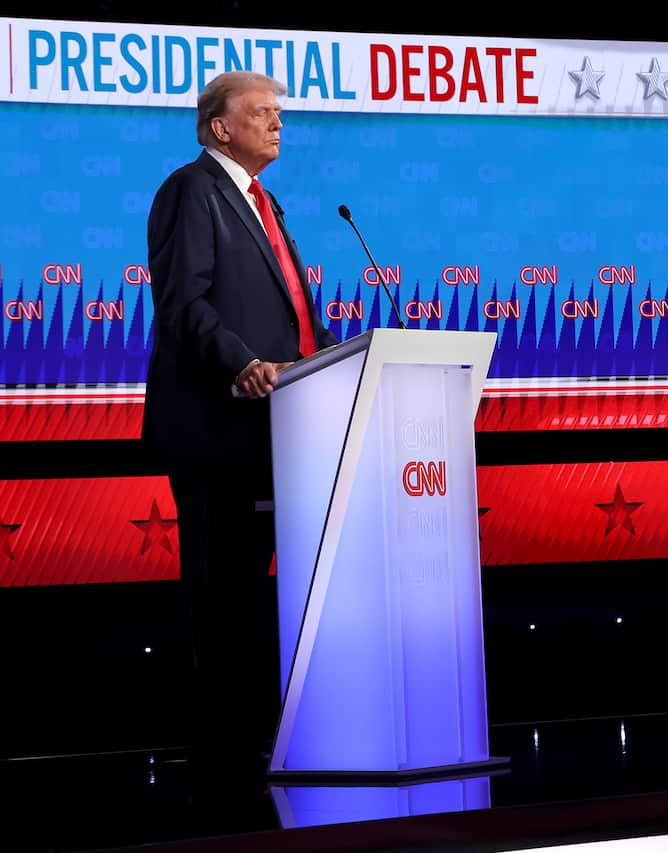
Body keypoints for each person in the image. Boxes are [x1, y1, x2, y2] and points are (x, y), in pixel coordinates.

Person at [142, 71, 338, 767]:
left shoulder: (263, 201)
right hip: (215, 426)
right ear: (221, 127)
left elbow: (287, 307)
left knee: (254, 593)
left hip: (276, 426)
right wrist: (243, 363)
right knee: (222, 592)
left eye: (278, 113)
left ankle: (263, 738)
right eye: (262, 112)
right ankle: (221, 754)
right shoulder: (191, 191)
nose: (277, 123)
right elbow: (184, 304)